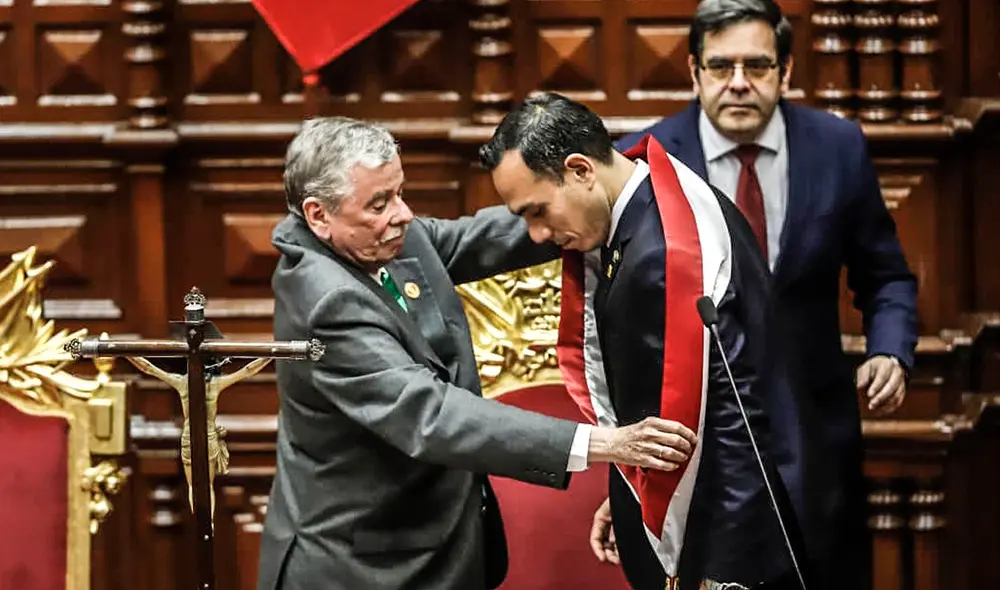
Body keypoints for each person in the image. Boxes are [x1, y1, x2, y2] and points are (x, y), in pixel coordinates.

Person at [256, 116, 700, 590]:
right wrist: (602, 443)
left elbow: (485, 237)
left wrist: (602, 182)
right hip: (361, 566)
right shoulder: (324, 300)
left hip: (436, 544)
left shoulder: (379, 237)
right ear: (318, 215)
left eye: (399, 193)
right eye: (379, 203)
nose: (403, 214)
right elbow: (430, 413)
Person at [615, 1, 919, 587]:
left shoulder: (837, 147)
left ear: (786, 70)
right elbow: (625, 323)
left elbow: (885, 275)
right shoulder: (646, 160)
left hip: (818, 429)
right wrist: (627, 477)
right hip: (700, 445)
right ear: (694, 71)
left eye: (757, 66)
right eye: (721, 66)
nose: (738, 83)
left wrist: (890, 348)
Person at [480, 92, 805, 590]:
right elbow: (659, 406)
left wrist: (723, 575)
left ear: (580, 170)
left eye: (537, 210)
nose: (537, 234)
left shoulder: (664, 256)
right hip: (688, 513)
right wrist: (631, 492)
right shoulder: (657, 207)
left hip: (720, 547)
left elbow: (734, 419)